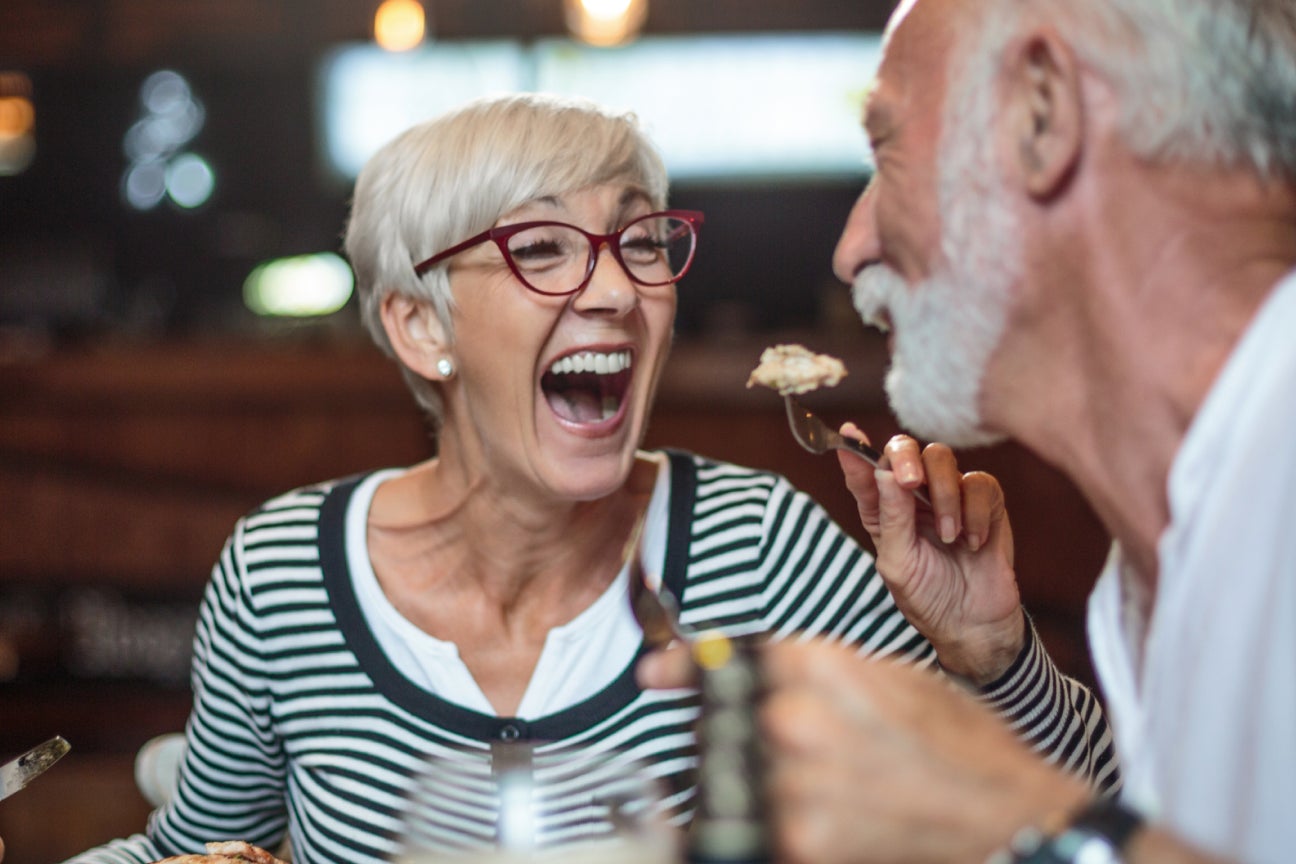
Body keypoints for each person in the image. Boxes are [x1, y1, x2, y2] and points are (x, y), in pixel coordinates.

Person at [65, 92, 1113, 864]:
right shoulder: (283, 572)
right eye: (542, 248)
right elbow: (192, 853)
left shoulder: (757, 550)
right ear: (421, 325)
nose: (616, 288)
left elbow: (1076, 826)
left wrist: (993, 656)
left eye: (639, 241)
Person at [640, 0, 1295, 862]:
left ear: (1041, 113)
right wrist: (998, 663)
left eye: (887, 151)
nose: (850, 249)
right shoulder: (1157, 557)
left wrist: (1019, 818)